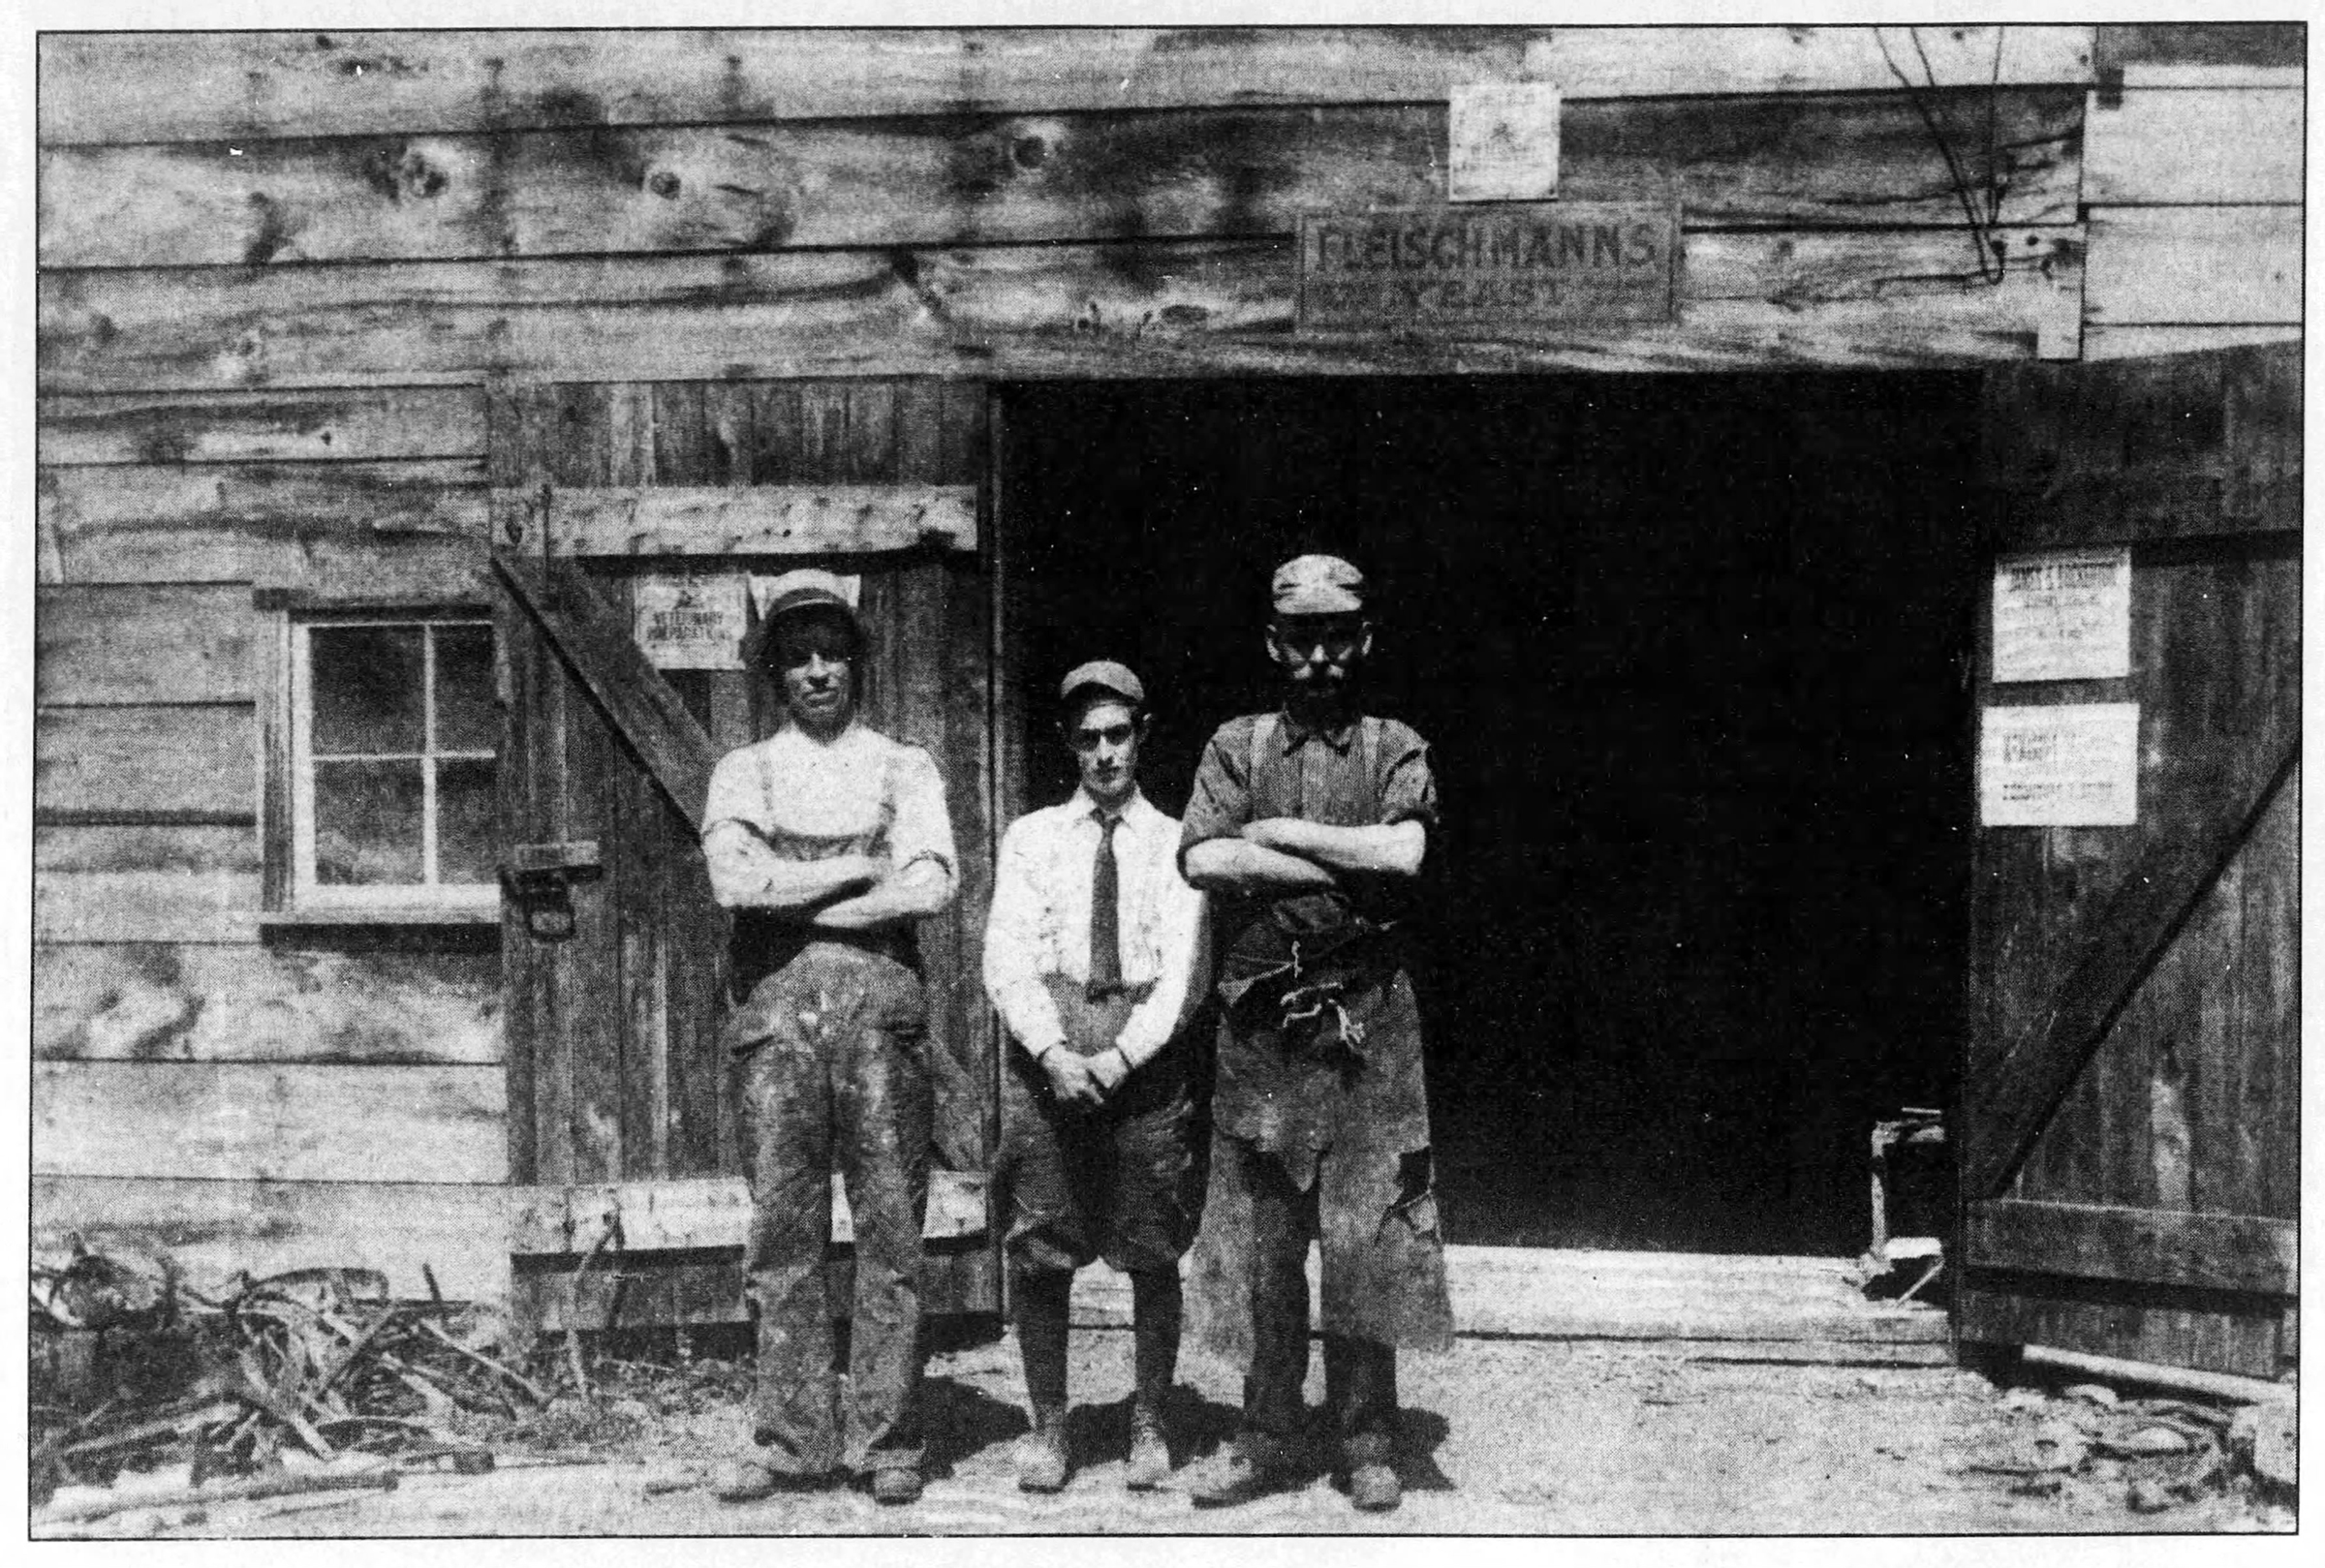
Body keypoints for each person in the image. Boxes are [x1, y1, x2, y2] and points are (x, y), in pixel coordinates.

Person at [1177, 553, 1453, 1514]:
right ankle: (1263, 1433)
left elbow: (1405, 851)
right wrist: (1334, 860)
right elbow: (1205, 853)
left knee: (1364, 1234)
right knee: (1265, 1244)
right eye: (1304, 638)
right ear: (1274, 642)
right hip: (1261, 1027)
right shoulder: (1236, 746)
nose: (1322, 656)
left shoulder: (1394, 745)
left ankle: (1369, 1433)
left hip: (1370, 1024)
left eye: (1340, 637)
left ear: (1364, 640)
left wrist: (1282, 834)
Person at [699, 569, 956, 1508]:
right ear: (776, 669)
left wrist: (801, 892)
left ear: (856, 663)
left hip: (880, 1015)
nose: (817, 671)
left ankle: (889, 1433)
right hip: (773, 1018)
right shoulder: (744, 770)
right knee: (782, 1227)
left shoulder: (903, 765)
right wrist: (857, 867)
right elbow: (735, 883)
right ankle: (793, 1435)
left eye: (833, 653)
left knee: (892, 1221)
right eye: (798, 655)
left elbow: (930, 885)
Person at [983, 661, 1209, 1494]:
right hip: (1051, 1058)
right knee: (1041, 1246)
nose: (1105, 754)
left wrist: (1119, 1057)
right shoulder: (1032, 837)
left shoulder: (1178, 842)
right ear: (1068, 745)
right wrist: (1052, 1052)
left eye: (1119, 734)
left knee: (1151, 1243)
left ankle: (1149, 1418)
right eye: (1088, 738)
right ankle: (1050, 1426)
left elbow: (1185, 977)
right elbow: (1005, 958)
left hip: (1141, 1064)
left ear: (1142, 736)